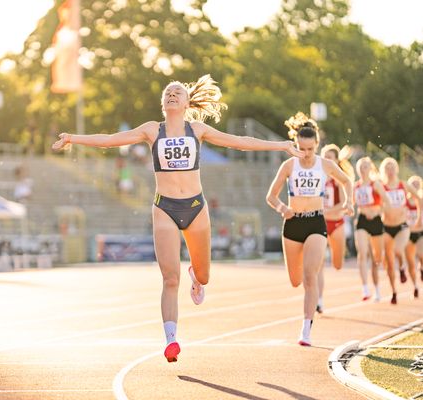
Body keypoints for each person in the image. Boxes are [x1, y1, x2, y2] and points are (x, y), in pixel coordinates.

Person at [52, 75, 303, 362]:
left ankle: (196, 277)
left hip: (196, 207)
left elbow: (240, 142)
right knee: (170, 278)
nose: (172, 94)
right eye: (168, 92)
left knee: (206, 274)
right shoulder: (151, 131)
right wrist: (73, 138)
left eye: (178, 92)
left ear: (186, 103)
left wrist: (281, 146)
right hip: (165, 208)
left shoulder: (196, 130)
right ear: (163, 103)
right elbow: (110, 140)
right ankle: (171, 339)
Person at [266, 112, 353, 346]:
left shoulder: (325, 165)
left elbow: (346, 182)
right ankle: (306, 321)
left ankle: (306, 329)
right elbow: (271, 197)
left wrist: (349, 202)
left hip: (316, 222)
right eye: (301, 149)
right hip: (293, 223)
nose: (305, 154)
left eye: (309, 149)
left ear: (316, 145)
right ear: (295, 145)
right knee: (295, 280)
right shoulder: (288, 165)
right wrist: (283, 208)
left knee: (310, 277)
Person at [316, 144, 354, 313]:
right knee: (318, 264)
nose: (326, 160)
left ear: (336, 160)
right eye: (324, 156)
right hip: (319, 223)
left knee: (337, 264)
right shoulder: (316, 176)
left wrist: (328, 211)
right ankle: (319, 300)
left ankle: (338, 260)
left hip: (336, 222)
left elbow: (342, 204)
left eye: (330, 157)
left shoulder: (339, 179)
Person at [379, 157, 422, 304]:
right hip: (386, 227)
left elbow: (419, 199)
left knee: (398, 250)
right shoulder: (381, 187)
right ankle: (394, 291)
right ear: (384, 171)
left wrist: (419, 217)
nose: (390, 171)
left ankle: (402, 268)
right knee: (390, 263)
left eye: (392, 168)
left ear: (396, 169)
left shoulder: (403, 185)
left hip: (402, 226)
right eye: (387, 168)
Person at [353, 157, 389, 302]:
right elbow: (351, 203)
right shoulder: (356, 186)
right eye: (361, 167)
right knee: (362, 253)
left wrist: (377, 211)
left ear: (370, 168)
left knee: (376, 258)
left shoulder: (376, 185)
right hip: (362, 220)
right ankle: (365, 288)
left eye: (366, 166)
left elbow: (387, 202)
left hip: (375, 221)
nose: (363, 169)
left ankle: (377, 289)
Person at [403, 175, 423, 296]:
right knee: (410, 262)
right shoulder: (403, 200)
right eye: (412, 184)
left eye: (417, 184)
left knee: (421, 255)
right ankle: (415, 286)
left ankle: (421, 268)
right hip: (408, 233)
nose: (415, 186)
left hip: (420, 232)